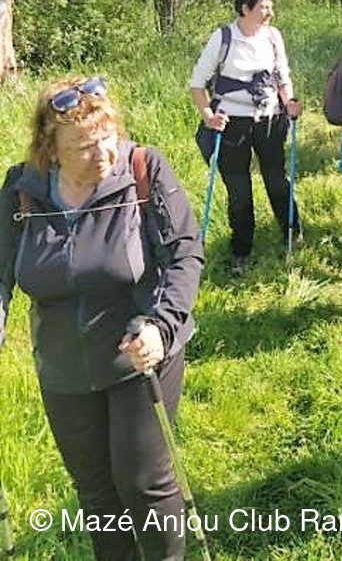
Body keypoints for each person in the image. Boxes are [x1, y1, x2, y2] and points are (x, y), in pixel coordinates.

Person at [0, 75, 203, 561]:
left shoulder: (143, 170)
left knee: (144, 483)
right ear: (50, 149)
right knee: (95, 493)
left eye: (107, 137)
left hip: (139, 355)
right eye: (84, 147)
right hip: (63, 366)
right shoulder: (21, 192)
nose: (103, 154)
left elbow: (184, 253)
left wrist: (161, 325)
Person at [190, 0, 302, 276]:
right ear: (245, 9)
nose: (269, 12)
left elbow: (282, 76)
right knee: (239, 189)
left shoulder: (273, 36)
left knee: (276, 179)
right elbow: (197, 84)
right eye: (263, 7)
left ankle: (292, 232)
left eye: (269, 6)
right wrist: (208, 117)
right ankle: (241, 250)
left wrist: (289, 101)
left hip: (269, 118)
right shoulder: (223, 37)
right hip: (231, 122)